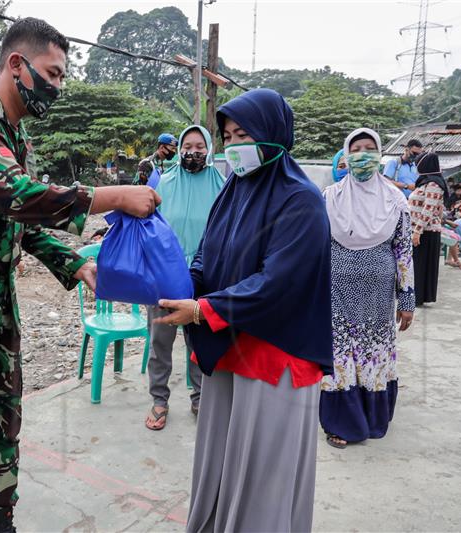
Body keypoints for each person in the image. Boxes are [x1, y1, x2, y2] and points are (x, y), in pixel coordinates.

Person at [0, 18, 160, 533]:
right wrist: (111, 197)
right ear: (16, 64)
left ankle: (0, 524)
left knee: (1, 430)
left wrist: (78, 263)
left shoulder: (14, 133)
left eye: (63, 77)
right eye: (53, 73)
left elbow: (19, 221)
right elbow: (14, 194)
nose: (58, 86)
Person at [154, 89, 332, 533]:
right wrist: (179, 285)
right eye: (228, 136)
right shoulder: (233, 190)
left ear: (274, 135)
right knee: (219, 462)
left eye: (244, 135)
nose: (234, 147)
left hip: (275, 355)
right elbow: (206, 257)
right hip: (227, 346)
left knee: (261, 474)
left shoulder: (301, 199)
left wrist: (200, 310)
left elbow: (278, 283)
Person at [320, 128, 415, 449]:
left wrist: (407, 298)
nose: (362, 154)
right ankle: (341, 423)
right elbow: (316, 248)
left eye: (369, 148)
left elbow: (403, 250)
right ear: (346, 155)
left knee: (373, 353)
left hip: (378, 296)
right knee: (341, 355)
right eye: (356, 148)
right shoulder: (330, 197)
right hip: (336, 294)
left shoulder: (395, 199)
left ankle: (374, 417)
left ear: (379, 155)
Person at [144, 125, 225, 431]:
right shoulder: (164, 181)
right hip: (165, 275)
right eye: (187, 145)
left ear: (210, 149)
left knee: (199, 341)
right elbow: (150, 224)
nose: (193, 151)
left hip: (206, 278)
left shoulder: (222, 184)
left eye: (200, 146)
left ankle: (200, 397)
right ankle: (159, 399)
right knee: (160, 342)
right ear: (179, 150)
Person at [410, 152, 449, 306]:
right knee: (418, 265)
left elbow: (428, 210)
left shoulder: (434, 184)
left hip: (425, 232)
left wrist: (417, 232)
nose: (416, 166)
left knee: (420, 266)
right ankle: (416, 296)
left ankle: (418, 297)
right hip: (421, 231)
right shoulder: (426, 182)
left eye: (418, 163)